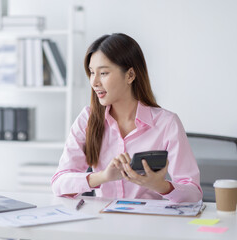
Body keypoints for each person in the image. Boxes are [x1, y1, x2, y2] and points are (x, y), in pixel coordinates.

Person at [51, 33, 203, 203]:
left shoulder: (167, 123)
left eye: (103, 73)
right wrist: (103, 177)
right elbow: (59, 183)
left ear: (130, 75)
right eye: (92, 72)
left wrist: (160, 185)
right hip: (102, 221)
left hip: (150, 224)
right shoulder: (87, 119)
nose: (94, 82)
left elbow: (194, 194)